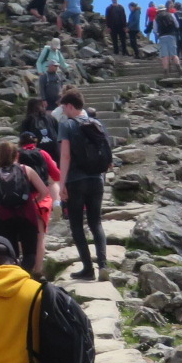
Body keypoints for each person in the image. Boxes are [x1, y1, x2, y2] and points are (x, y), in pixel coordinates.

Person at [54, 88, 111, 282]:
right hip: (96, 179)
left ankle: (88, 268)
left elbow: (65, 155)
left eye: (64, 107)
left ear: (70, 106)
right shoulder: (96, 123)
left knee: (77, 224)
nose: (63, 111)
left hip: (75, 181)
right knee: (96, 222)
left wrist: (61, 185)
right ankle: (103, 265)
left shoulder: (66, 125)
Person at [0, 136, 48, 274]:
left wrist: (3, 205)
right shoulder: (26, 170)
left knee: (11, 251)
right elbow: (44, 191)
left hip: (5, 216)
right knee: (30, 252)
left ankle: (14, 275)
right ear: (17, 154)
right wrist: (33, 202)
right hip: (27, 214)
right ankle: (26, 274)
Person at [34, 34, 68, 108]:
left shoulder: (58, 52)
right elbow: (39, 61)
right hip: (45, 72)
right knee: (43, 87)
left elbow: (62, 63)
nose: (55, 48)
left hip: (56, 73)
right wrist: (40, 71)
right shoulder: (46, 50)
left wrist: (68, 67)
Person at [152, 0, 182, 72]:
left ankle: (166, 71)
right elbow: (177, 25)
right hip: (171, 36)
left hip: (162, 37)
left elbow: (155, 30)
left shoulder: (156, 18)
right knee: (174, 54)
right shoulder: (171, 15)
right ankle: (179, 69)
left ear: (158, 11)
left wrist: (159, 34)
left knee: (164, 56)